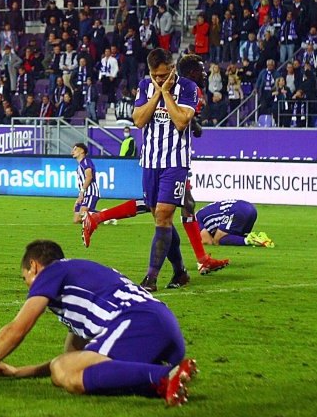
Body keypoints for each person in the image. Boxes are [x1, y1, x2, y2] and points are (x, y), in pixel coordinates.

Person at [0, 239, 196, 405]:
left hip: (137, 323)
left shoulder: (52, 272)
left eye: (26, 279)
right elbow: (75, 360)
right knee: (70, 370)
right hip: (161, 327)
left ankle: (165, 377)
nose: (29, 287)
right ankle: (166, 377)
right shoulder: (80, 284)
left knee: (63, 371)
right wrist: (19, 372)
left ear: (34, 267)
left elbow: (16, 329)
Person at [83, 50, 227, 283]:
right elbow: (139, 120)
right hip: (150, 162)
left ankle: (151, 278)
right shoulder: (144, 85)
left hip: (175, 162)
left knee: (164, 215)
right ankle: (180, 272)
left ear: (172, 67)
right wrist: (157, 92)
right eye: (155, 75)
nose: (159, 79)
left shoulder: (189, 88)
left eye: (164, 74)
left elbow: (181, 122)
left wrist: (166, 93)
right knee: (162, 220)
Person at [195, 199, 273, 248]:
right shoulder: (202, 212)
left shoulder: (195, 219)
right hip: (250, 209)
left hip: (237, 212)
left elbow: (207, 241)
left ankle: (251, 240)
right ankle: (260, 239)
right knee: (235, 237)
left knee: (217, 240)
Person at [70, 143, 99, 225]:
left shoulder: (85, 161)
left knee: (83, 214)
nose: (73, 151)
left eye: (75, 149)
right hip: (83, 193)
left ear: (82, 151)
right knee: (76, 220)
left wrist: (82, 193)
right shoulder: (80, 165)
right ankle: (102, 214)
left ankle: (107, 215)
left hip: (90, 192)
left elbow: (89, 177)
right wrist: (80, 195)